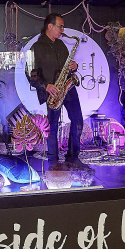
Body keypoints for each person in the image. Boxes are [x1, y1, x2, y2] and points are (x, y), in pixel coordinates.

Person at [29, 13, 83, 163]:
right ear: (50, 26)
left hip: (67, 88)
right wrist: (46, 86)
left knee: (78, 121)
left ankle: (73, 157)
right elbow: (31, 73)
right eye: (60, 26)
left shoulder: (61, 45)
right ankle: (53, 161)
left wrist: (74, 66)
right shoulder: (36, 47)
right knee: (52, 126)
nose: (62, 29)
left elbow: (67, 66)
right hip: (52, 91)